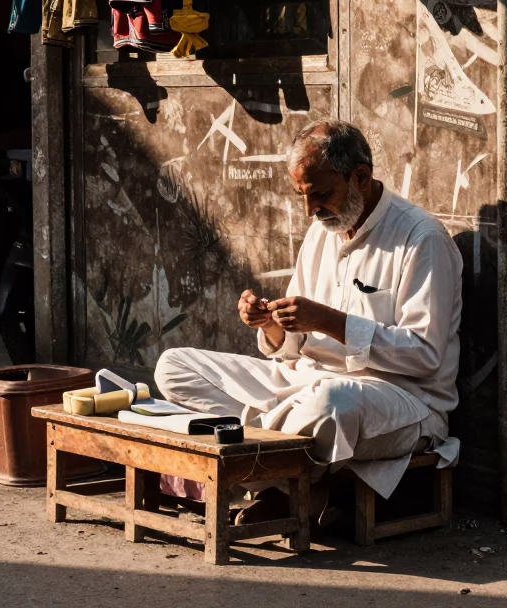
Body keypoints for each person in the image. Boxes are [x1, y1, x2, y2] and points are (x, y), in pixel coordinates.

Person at [154, 119, 463, 523]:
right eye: (302, 195)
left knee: (330, 405)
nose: (310, 209)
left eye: (321, 194)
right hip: (302, 385)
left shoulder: (422, 238)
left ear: (361, 177)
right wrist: (270, 325)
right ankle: (282, 475)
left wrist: (331, 322)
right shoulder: (323, 230)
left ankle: (262, 477)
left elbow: (425, 356)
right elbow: (293, 348)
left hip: (398, 399)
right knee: (174, 366)